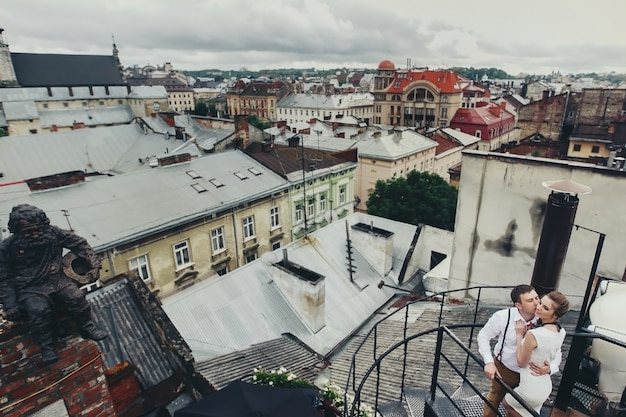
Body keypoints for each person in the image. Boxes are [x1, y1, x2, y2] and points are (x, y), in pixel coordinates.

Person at [0, 204, 108, 364]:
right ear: (17, 230)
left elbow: (80, 244)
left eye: (38, 229)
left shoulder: (54, 233)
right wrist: (10, 305)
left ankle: (87, 327)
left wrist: (93, 263)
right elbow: (4, 277)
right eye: (29, 231)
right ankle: (47, 347)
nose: (36, 234)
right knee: (38, 311)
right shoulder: (7, 248)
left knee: (76, 297)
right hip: (30, 288)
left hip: (57, 280)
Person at [477, 285, 561, 417]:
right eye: (530, 300)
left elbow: (557, 350)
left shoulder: (543, 320)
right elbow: (483, 336)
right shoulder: (503, 317)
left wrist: (551, 368)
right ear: (518, 305)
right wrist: (489, 362)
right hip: (505, 369)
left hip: (529, 377)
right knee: (494, 399)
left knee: (517, 408)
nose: (537, 303)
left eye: (536, 298)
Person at [503, 291, 569, 417]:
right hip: (544, 387)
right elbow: (553, 352)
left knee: (506, 403)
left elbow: (521, 362)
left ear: (555, 315)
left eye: (545, 308)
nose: (538, 307)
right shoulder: (561, 332)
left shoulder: (534, 334)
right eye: (540, 303)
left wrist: (519, 335)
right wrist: (549, 368)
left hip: (530, 387)